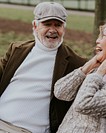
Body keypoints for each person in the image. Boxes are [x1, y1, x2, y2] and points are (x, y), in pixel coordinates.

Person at [0, 2, 86, 133]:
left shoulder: (74, 63)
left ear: (64, 28)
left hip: (25, 130)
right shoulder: (17, 50)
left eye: (58, 25)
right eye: (47, 24)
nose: (52, 30)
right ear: (35, 26)